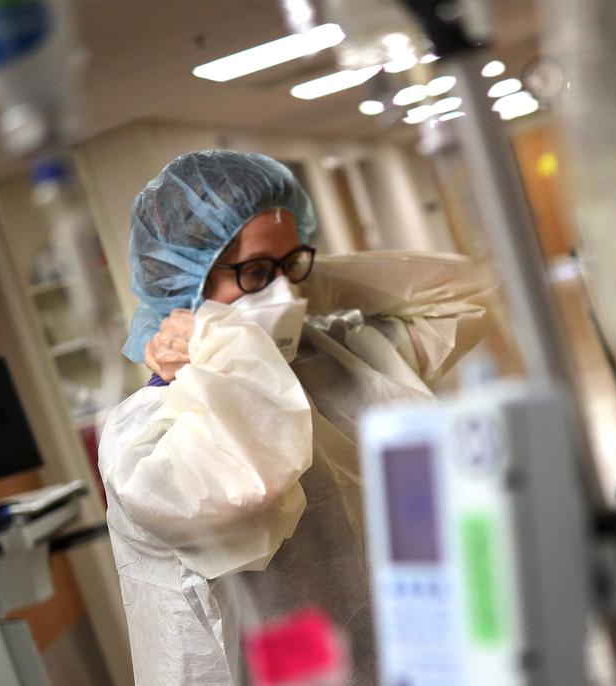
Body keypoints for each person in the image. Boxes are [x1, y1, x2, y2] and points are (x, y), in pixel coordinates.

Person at [99, 150, 497, 685]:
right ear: (181, 284)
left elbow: (470, 293)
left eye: (293, 267)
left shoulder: (347, 357)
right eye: (257, 273)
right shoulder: (148, 435)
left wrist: (315, 282)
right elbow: (249, 479)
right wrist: (224, 344)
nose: (285, 292)